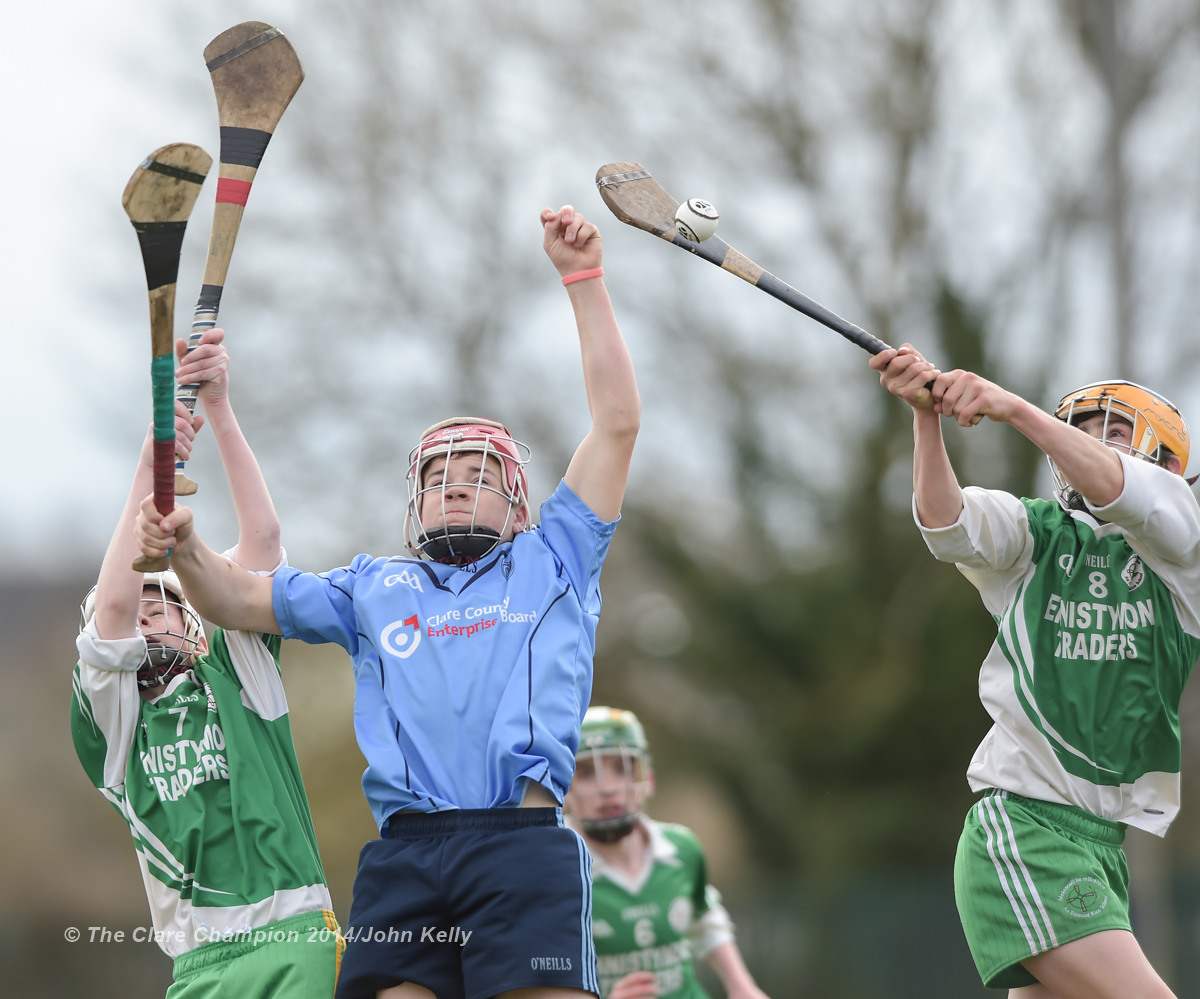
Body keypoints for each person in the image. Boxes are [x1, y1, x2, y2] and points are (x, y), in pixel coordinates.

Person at [134, 204, 641, 999]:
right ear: (414, 502)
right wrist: (188, 548)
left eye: (476, 474)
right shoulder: (373, 586)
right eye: (438, 478)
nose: (454, 485)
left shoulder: (556, 557)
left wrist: (582, 279)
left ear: (518, 501)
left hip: (521, 842)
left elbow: (616, 424)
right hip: (405, 854)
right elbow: (235, 599)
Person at [870, 344, 1200, 999]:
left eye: (1111, 430)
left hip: (1103, 843)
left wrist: (1012, 407)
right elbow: (948, 522)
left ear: (1167, 463)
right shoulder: (1039, 533)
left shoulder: (1183, 540)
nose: (1090, 444)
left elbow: (1117, 486)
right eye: (1080, 429)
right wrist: (924, 419)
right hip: (1023, 828)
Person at [71, 328, 342, 998]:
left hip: (294, 933)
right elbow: (110, 611)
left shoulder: (236, 669)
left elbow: (264, 544)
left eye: (161, 603)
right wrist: (148, 467)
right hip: (199, 964)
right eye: (137, 606)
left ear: (191, 620)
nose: (144, 614)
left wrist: (219, 408)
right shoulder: (114, 730)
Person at [564, 706, 772, 999]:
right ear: (564, 787)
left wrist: (741, 986)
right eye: (586, 772)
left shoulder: (682, 848)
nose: (606, 787)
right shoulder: (556, 873)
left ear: (648, 779)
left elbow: (704, 916)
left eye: (622, 768)